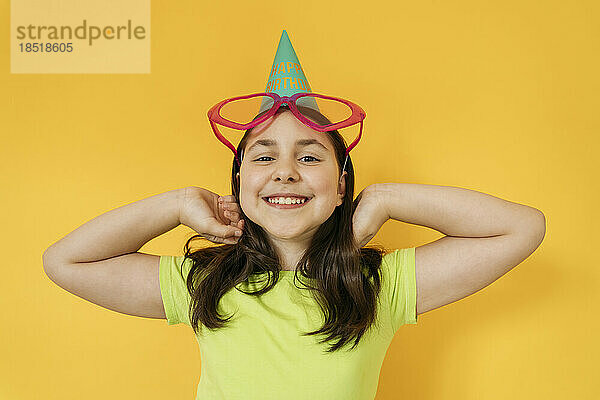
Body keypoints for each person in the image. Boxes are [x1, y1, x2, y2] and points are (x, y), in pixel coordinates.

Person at [42, 30, 546, 400]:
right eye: (263, 157)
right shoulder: (204, 283)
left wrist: (388, 198)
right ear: (239, 181)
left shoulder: (379, 284)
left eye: (309, 156)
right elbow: (66, 262)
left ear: (340, 183)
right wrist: (174, 205)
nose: (285, 172)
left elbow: (523, 227)